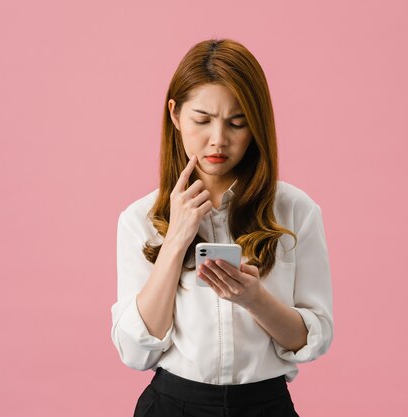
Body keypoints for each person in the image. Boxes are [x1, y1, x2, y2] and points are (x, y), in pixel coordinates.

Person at [110, 38, 334, 417]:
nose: (218, 139)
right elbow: (135, 352)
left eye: (237, 122)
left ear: (257, 125)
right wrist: (176, 240)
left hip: (265, 406)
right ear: (175, 115)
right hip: (172, 406)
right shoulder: (140, 218)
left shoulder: (295, 211)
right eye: (202, 120)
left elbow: (311, 340)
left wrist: (254, 299)